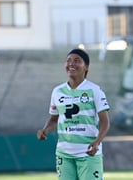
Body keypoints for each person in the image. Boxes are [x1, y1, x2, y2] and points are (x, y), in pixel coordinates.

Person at [37, 48, 110, 180]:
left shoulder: (94, 90)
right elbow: (54, 119)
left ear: (86, 67)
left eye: (77, 61)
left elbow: (105, 121)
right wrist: (45, 130)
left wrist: (97, 142)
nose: (71, 64)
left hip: (88, 154)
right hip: (64, 154)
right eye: (68, 61)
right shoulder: (57, 91)